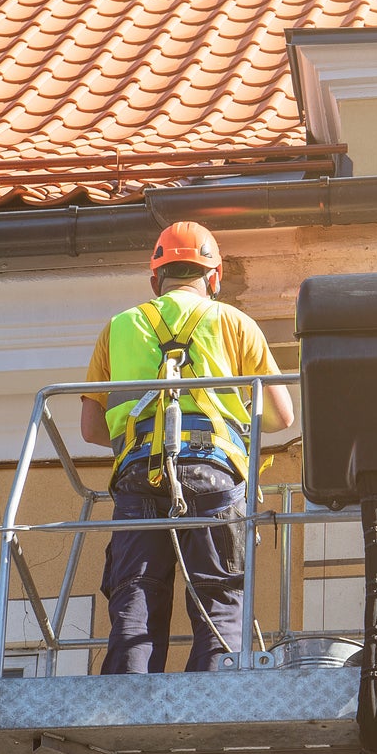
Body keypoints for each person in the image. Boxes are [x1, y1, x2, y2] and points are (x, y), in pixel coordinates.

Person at [81, 221, 294, 673]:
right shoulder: (236, 322)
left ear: (155, 279)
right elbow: (281, 417)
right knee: (219, 594)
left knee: (135, 592)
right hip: (213, 474)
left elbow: (91, 429)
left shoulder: (119, 327)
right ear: (214, 278)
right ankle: (214, 695)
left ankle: (125, 700)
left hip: (139, 475)